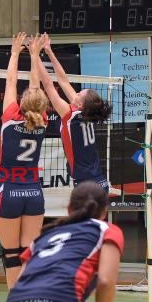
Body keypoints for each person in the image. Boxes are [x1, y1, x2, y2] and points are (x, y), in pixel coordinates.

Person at [4, 181, 133, 302]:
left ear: (69, 208)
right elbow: (106, 280)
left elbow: (18, 281)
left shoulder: (46, 235)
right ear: (104, 212)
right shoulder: (106, 229)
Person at [0, 33, 49, 290]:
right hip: (34, 192)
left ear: (22, 103)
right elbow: (34, 88)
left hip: (9, 192)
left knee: (11, 254)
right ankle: (31, 300)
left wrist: (16, 52)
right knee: (29, 251)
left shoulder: (10, 118)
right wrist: (36, 55)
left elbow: (10, 81)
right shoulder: (42, 121)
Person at [38, 33, 112, 192]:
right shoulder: (87, 114)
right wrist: (49, 51)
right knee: (96, 219)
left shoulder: (70, 116)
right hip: (100, 182)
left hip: (86, 186)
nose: (76, 93)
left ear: (81, 104)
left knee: (84, 218)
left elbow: (48, 85)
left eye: (79, 94)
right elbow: (63, 80)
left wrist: (35, 55)